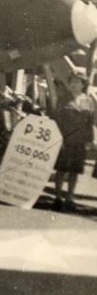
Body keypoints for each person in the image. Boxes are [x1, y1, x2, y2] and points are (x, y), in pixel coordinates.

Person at [49, 72, 96, 211]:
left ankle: (69, 197)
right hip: (65, 139)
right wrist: (58, 138)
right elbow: (56, 119)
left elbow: (91, 122)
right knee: (61, 170)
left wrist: (91, 139)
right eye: (72, 82)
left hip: (80, 141)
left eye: (78, 82)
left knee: (75, 170)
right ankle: (57, 197)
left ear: (83, 85)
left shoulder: (89, 101)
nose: (74, 84)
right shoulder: (63, 99)